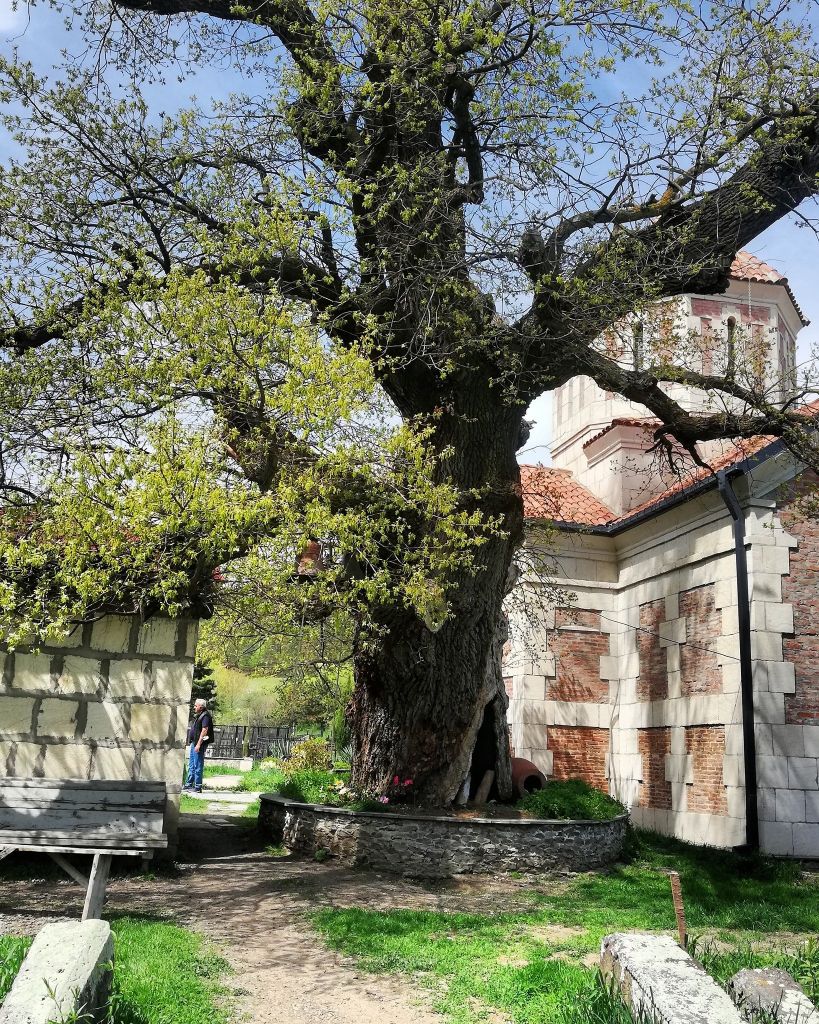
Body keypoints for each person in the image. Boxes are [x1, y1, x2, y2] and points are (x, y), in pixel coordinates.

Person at [183, 698, 213, 793]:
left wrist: (198, 744)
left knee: (198, 764)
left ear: (201, 707)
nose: (194, 707)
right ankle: (188, 784)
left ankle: (197, 786)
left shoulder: (205, 716)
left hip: (199, 744)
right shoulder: (199, 715)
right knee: (191, 764)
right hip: (194, 743)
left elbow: (205, 730)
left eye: (196, 705)